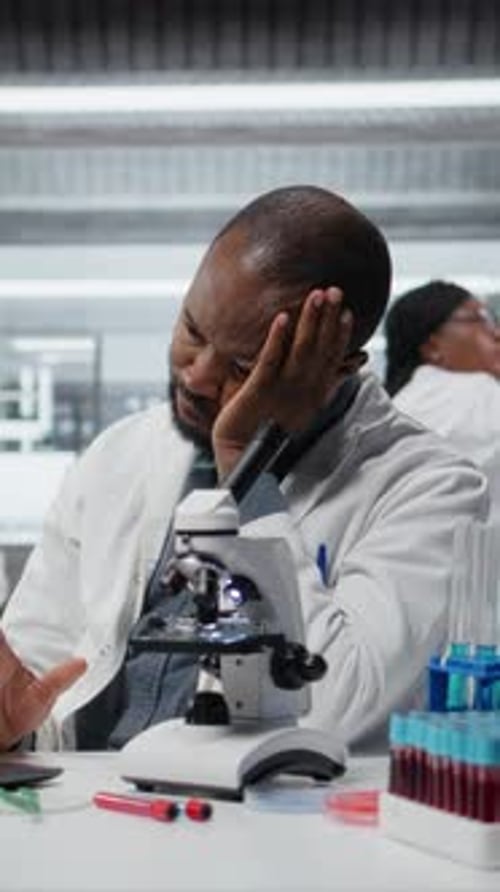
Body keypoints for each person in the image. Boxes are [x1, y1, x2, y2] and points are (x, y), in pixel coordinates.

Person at [0, 187, 489, 754]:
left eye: (242, 365)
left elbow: (333, 711)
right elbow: (33, 664)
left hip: (258, 825)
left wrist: (248, 470)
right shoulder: (121, 454)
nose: (197, 377)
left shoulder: (431, 487)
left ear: (339, 364)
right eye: (192, 330)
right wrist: (18, 724)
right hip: (86, 802)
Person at [384, 280, 500, 515]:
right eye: (479, 319)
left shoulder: (396, 406)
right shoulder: (477, 391)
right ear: (432, 347)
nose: (496, 333)